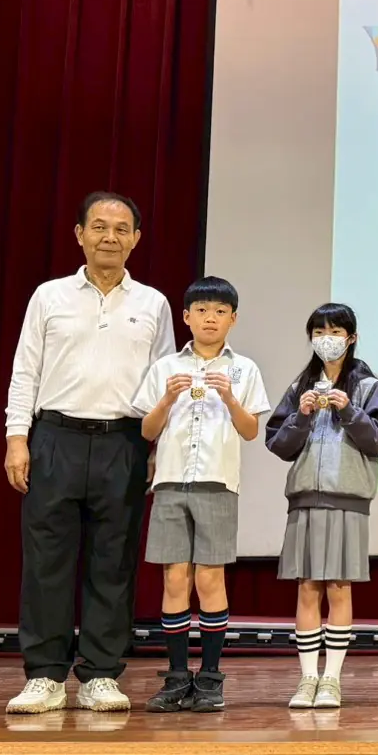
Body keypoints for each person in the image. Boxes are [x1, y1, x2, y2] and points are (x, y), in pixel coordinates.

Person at [4, 191, 175, 715]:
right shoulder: (49, 296)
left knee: (113, 560)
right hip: (54, 437)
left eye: (121, 229)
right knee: (46, 561)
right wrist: (16, 437)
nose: (110, 237)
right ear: (79, 234)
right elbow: (25, 370)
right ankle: (45, 675)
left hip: (125, 441)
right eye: (99, 226)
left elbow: (164, 381)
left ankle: (101, 673)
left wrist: (157, 447)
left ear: (136, 239)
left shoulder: (153, 304)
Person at [132, 276, 273, 713]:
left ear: (233, 319)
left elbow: (250, 431)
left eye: (220, 311)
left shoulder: (244, 369)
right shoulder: (165, 368)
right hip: (171, 482)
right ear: (186, 316)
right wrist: (165, 401)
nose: (210, 318)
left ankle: (210, 678)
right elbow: (147, 430)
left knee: (210, 579)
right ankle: (177, 677)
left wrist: (230, 399)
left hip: (217, 483)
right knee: (175, 579)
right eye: (202, 310)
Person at [265, 303, 378, 709]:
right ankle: (308, 679)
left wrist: (348, 409)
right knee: (307, 587)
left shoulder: (367, 385)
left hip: (347, 499)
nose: (327, 339)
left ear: (351, 338)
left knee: (339, 587)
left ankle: (332, 680)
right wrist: (302, 415)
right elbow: (278, 444)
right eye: (319, 332)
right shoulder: (300, 385)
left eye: (336, 332)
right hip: (305, 498)